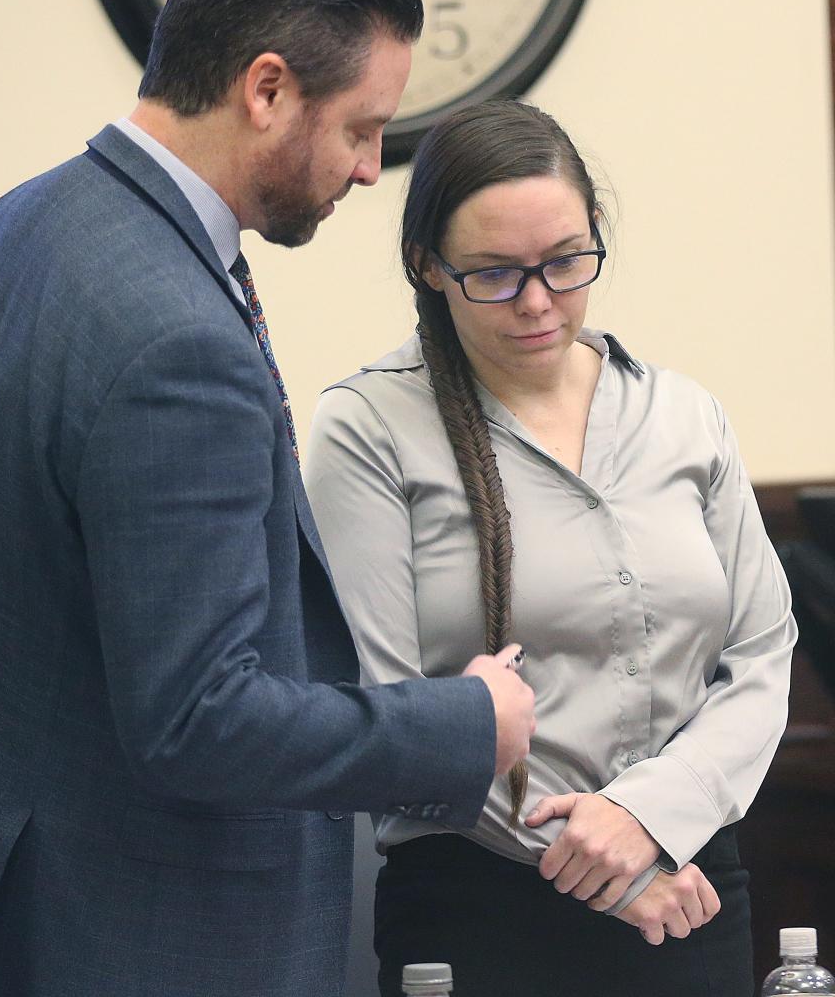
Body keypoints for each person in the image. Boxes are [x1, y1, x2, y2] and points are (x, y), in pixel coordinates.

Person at [0, 0, 536, 997]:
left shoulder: (11, 228)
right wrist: (465, 721)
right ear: (266, 88)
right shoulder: (179, 339)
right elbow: (200, 717)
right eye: (363, 129)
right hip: (130, 927)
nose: (373, 170)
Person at [305, 100, 797, 997]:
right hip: (478, 904)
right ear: (428, 265)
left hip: (685, 886)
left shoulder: (683, 416)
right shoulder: (369, 430)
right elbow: (386, 706)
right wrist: (598, 861)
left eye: (566, 263)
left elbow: (762, 653)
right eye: (494, 274)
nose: (537, 301)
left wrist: (649, 818)